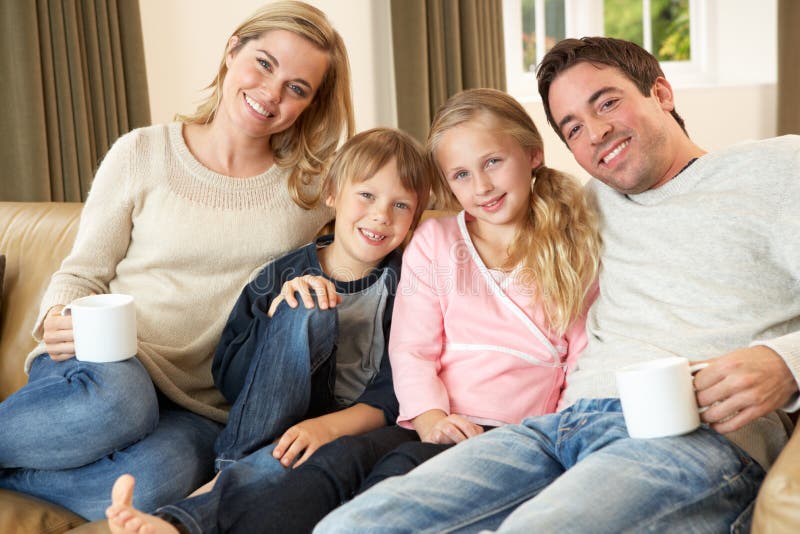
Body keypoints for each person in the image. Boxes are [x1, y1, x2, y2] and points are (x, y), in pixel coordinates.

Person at [315, 37, 800, 533]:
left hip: (692, 432)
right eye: (574, 127)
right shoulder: (582, 211)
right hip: (557, 428)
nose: (597, 132)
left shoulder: (777, 169)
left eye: (607, 102)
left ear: (661, 92)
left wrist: (788, 362)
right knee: (351, 526)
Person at [104, 87, 602, 534]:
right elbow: (413, 347)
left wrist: (550, 436)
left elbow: (583, 359)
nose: (483, 185)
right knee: (329, 465)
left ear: (533, 154)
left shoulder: (572, 245)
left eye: (493, 162)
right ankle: (182, 523)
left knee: (382, 478)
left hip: (506, 432)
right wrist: (429, 415)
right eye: (462, 174)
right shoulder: (434, 242)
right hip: (418, 419)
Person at [0, 0, 354, 520]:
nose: (272, 93)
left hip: (198, 408)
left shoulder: (307, 193)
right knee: (123, 404)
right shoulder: (142, 153)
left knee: (157, 483)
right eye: (264, 63)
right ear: (232, 52)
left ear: (309, 104)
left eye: (297, 88)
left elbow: (383, 205)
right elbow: (81, 272)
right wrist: (56, 317)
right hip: (107, 369)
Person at [105, 126, 433, 533]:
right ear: (332, 195)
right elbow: (228, 375)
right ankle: (227, 473)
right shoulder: (280, 275)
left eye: (400, 205)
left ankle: (180, 520)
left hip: (336, 436)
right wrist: (278, 318)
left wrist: (326, 428)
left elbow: (396, 391)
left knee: (290, 462)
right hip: (261, 427)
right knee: (306, 308)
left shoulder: (408, 286)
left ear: (415, 221)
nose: (382, 215)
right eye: (366, 195)